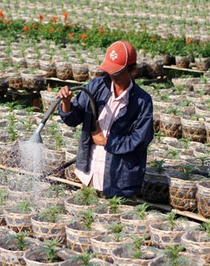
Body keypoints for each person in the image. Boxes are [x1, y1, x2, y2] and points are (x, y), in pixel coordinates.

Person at [57, 41, 154, 198]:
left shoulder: (142, 101)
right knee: (86, 216)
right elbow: (73, 118)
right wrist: (66, 104)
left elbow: (140, 139)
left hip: (119, 179)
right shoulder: (96, 87)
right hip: (90, 172)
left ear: (132, 71)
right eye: (110, 71)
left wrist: (108, 142)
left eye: (117, 72)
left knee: (113, 219)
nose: (112, 76)